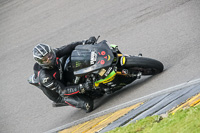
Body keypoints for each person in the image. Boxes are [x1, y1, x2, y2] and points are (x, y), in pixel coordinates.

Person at [28, 37, 97, 113]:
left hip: (62, 76)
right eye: (45, 60)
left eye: (49, 56)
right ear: (40, 62)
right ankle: (77, 98)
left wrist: (85, 42)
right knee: (89, 104)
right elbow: (63, 91)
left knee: (75, 58)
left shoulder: (54, 53)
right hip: (61, 94)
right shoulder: (44, 76)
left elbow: (69, 47)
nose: (49, 60)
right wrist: (83, 87)